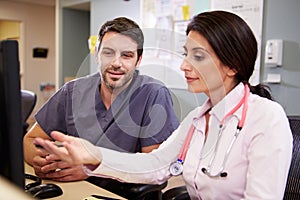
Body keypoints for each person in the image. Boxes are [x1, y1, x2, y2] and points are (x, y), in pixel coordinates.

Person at [34, 11, 293, 199]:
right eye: (185, 54)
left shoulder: (267, 118)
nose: (183, 65)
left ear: (232, 65)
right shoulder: (197, 119)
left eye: (198, 56)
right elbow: (155, 165)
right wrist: (94, 155)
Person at [24, 17, 179, 182]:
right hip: (74, 187)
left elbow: (153, 167)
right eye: (108, 53)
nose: (116, 63)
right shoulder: (72, 91)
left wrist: (91, 170)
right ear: (97, 55)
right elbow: (30, 140)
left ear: (138, 60)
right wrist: (45, 162)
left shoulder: (153, 94)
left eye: (126, 55)